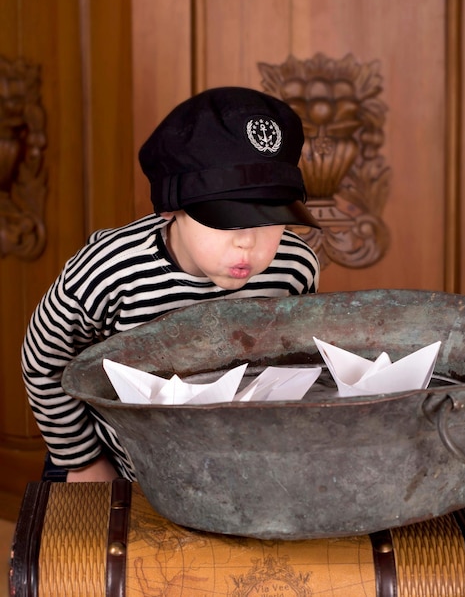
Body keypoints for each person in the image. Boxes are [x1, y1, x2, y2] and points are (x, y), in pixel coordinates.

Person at [21, 87, 320, 482]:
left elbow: (294, 362)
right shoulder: (109, 272)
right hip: (119, 467)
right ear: (172, 207)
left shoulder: (294, 266)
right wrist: (82, 461)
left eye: (272, 217)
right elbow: (43, 362)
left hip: (236, 465)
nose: (248, 242)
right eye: (226, 218)